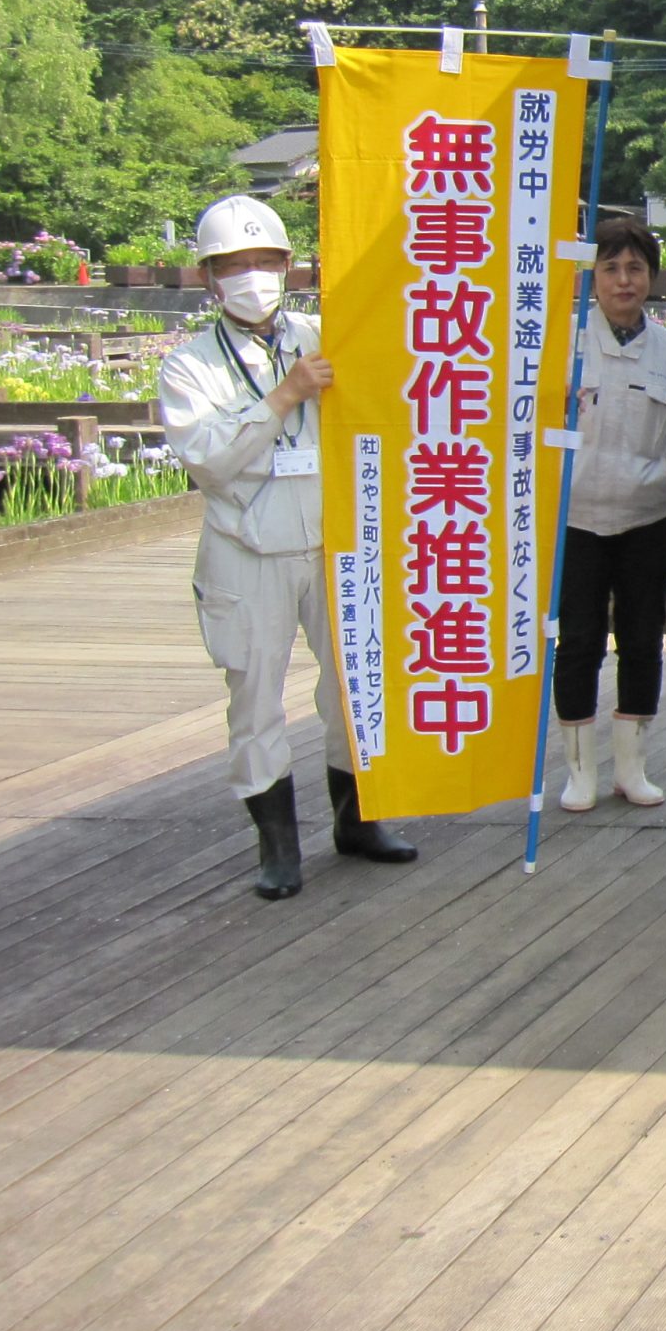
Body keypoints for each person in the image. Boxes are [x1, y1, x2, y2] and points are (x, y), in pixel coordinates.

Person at [160, 193, 416, 900]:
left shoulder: (322, 334)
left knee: (353, 686)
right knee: (255, 697)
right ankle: (277, 846)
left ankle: (358, 820)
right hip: (247, 548)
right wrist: (282, 397)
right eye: (232, 265)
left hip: (332, 541)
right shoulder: (188, 367)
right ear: (209, 276)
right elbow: (208, 459)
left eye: (263, 261)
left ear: (288, 264)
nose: (251, 275)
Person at [557, 214, 666, 813]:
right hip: (575, 521)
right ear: (592, 276)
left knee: (643, 640)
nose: (623, 280)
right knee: (578, 640)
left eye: (634, 268)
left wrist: (647, 474)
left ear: (651, 276)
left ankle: (633, 768)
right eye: (610, 267)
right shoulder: (560, 344)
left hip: (646, 517)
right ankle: (580, 771)